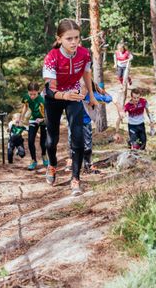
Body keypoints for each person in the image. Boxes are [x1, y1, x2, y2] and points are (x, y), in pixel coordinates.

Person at [42, 19, 98, 196]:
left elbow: (86, 73)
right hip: (54, 98)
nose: (74, 42)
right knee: (52, 140)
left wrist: (91, 95)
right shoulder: (52, 57)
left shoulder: (84, 53)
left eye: (77, 38)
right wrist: (64, 95)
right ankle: (51, 165)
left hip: (74, 96)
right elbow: (50, 90)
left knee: (79, 136)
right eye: (69, 39)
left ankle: (76, 179)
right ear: (59, 39)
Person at [68, 81, 123, 174]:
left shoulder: (92, 96)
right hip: (73, 123)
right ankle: (72, 162)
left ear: (88, 88)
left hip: (85, 123)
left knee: (87, 147)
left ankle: (88, 165)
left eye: (84, 88)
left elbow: (111, 98)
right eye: (79, 88)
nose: (81, 90)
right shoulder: (72, 94)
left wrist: (120, 109)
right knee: (73, 144)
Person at [21, 82, 48, 170]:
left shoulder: (42, 100)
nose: (32, 96)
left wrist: (42, 119)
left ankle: (44, 155)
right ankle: (33, 160)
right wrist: (21, 117)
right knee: (30, 140)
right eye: (30, 94)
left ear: (38, 92)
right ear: (28, 92)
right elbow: (25, 106)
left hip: (43, 120)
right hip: (33, 119)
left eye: (34, 94)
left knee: (43, 141)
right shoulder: (26, 97)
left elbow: (48, 113)